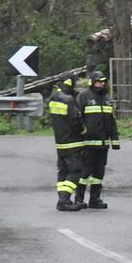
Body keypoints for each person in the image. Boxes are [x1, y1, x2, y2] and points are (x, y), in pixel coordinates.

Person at [76, 70, 119, 209]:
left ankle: (95, 199)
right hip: (88, 143)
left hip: (103, 143)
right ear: (92, 82)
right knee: (85, 172)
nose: (101, 84)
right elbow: (77, 118)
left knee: (99, 173)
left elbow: (111, 121)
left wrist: (115, 140)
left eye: (103, 82)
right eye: (98, 82)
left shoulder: (106, 98)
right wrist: (81, 135)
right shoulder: (84, 96)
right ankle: (79, 199)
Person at [49, 75, 85, 211]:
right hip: (72, 142)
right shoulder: (69, 99)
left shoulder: (53, 98)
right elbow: (75, 121)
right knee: (75, 171)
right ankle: (64, 199)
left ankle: (63, 199)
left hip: (60, 142)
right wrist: (83, 130)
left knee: (63, 170)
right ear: (70, 84)